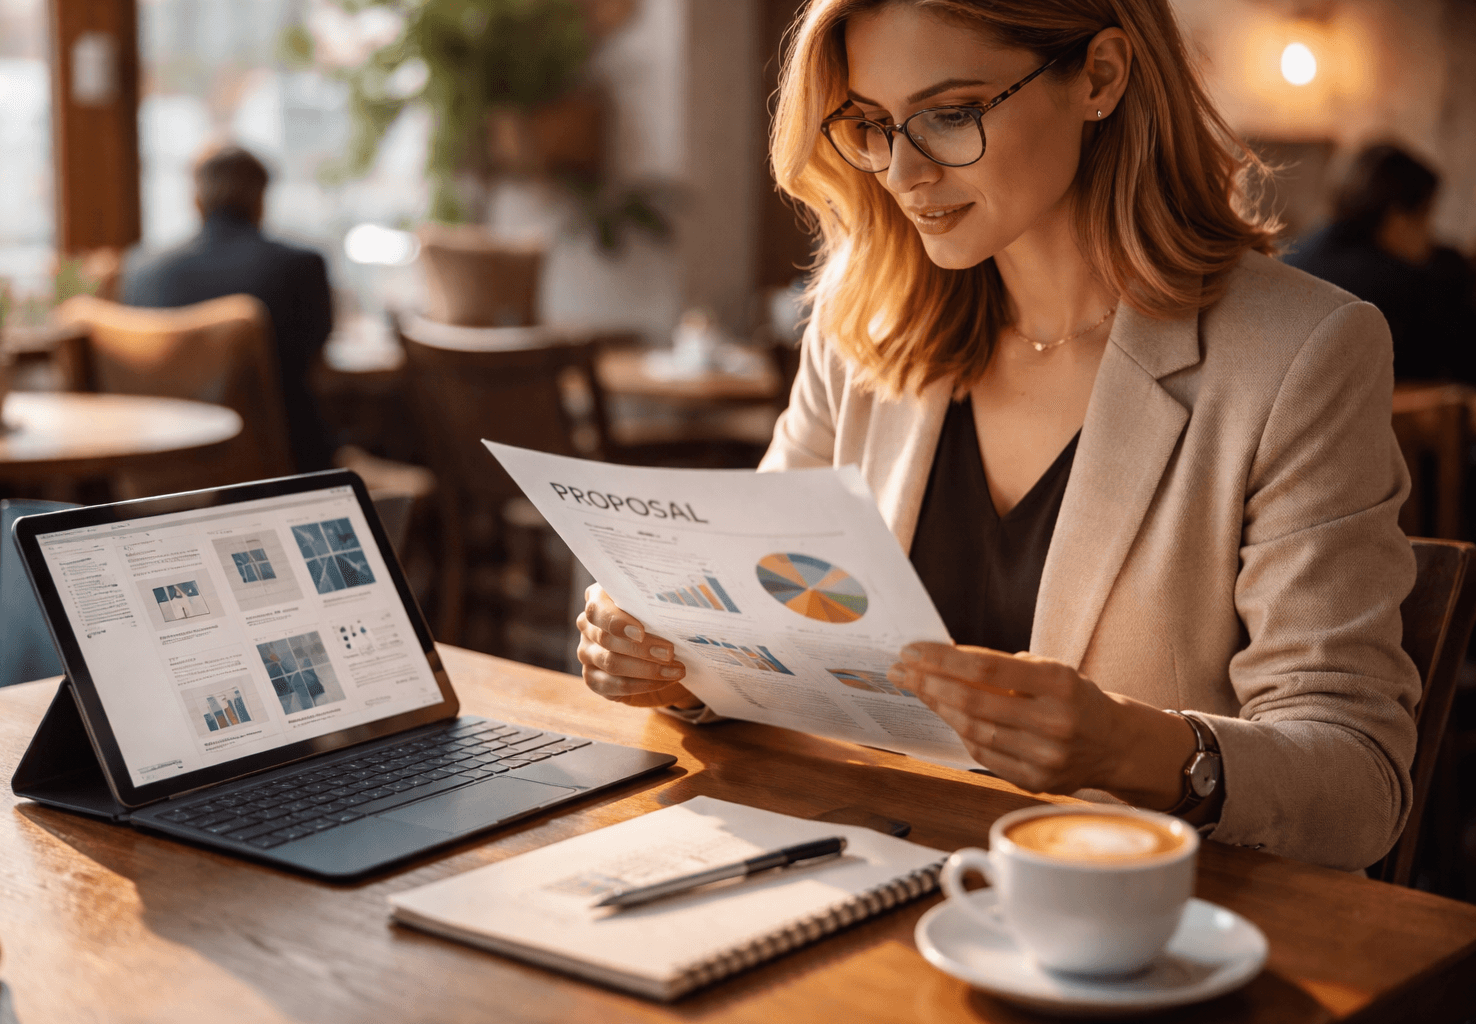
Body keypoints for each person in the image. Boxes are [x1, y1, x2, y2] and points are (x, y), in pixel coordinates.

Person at [574, 0, 1420, 873]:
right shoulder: (859, 326)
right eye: (870, 124)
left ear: (1099, 77)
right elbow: (757, 628)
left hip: (1124, 934)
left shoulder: (1301, 353)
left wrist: (1133, 751)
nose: (902, 171)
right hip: (856, 878)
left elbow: (1359, 783)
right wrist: (680, 665)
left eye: (950, 114)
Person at [123, 145, 336, 472]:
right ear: (261, 199)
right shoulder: (299, 267)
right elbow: (316, 361)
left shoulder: (142, 270)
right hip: (283, 471)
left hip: (162, 470)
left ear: (194, 200)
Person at [1285, 144, 1476, 382]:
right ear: (1397, 218)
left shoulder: (1298, 254)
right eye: (1426, 216)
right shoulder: (1403, 285)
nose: (1430, 234)